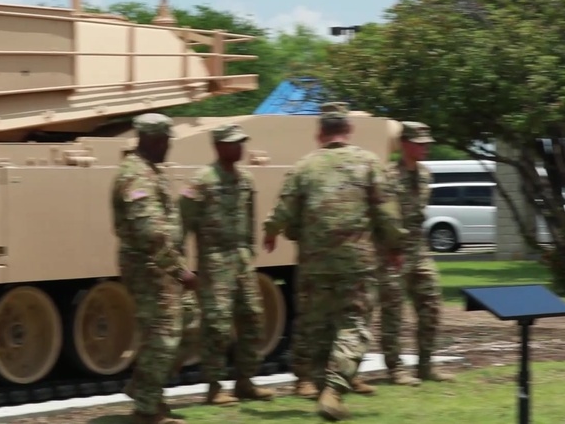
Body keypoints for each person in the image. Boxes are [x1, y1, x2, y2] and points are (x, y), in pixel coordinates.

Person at [262, 102, 407, 421]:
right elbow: (386, 212)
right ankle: (335, 388)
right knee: (353, 325)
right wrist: (396, 246)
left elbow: (283, 209)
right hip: (356, 263)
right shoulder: (368, 163)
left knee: (315, 324)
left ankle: (310, 381)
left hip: (314, 264)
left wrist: (271, 233)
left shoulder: (304, 166)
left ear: (319, 133)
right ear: (349, 130)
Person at [111, 112, 199, 424]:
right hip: (149, 268)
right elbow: (149, 232)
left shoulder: (151, 170)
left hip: (162, 266)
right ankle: (147, 411)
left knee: (189, 322)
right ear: (153, 140)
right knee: (163, 334)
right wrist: (180, 271)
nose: (169, 146)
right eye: (165, 141)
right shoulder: (135, 175)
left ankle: (144, 387)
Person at [179, 123, 276, 405]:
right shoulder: (201, 182)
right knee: (218, 327)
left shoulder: (246, 180)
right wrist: (180, 265)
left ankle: (245, 381)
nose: (240, 147)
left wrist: (248, 251)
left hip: (242, 261)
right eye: (234, 143)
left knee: (253, 319)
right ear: (219, 147)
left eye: (241, 142)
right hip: (215, 262)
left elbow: (250, 220)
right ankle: (214, 387)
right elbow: (181, 226)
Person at [383, 121, 455, 383]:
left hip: (419, 248)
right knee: (393, 311)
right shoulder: (388, 176)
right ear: (404, 145)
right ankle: (395, 369)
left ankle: (426, 365)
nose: (425, 148)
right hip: (394, 251)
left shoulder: (426, 175)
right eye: (419, 143)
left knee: (431, 305)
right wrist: (393, 247)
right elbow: (385, 217)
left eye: (427, 144)